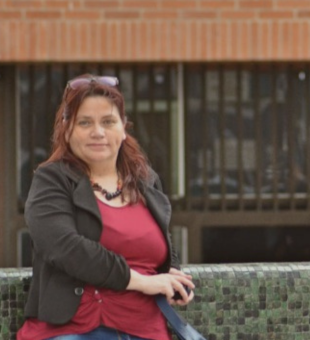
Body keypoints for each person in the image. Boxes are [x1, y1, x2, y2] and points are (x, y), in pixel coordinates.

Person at [17, 74, 195, 340]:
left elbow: (162, 246)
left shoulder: (146, 180)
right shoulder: (51, 180)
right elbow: (64, 247)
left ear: (123, 129)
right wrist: (143, 282)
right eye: (85, 122)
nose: (97, 132)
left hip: (147, 330)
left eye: (108, 121)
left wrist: (174, 277)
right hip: (72, 330)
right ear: (67, 130)